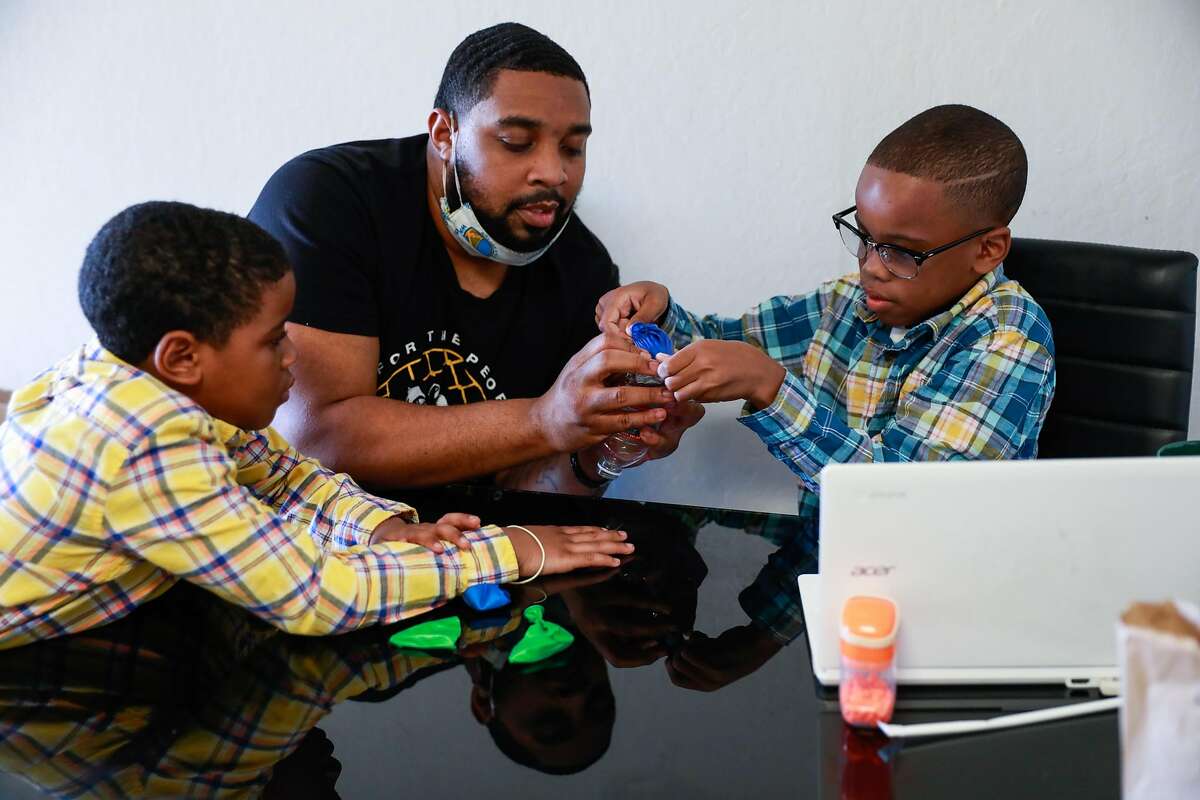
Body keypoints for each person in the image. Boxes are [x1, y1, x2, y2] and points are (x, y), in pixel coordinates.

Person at [0, 201, 634, 650]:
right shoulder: (141, 442)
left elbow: (281, 474)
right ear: (183, 358)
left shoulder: (144, 378)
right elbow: (319, 596)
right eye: (273, 339)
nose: (292, 356)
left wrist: (386, 527)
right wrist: (505, 553)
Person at [248, 22, 701, 496]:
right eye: (516, 142)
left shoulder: (583, 269)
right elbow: (310, 438)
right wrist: (545, 418)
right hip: (308, 550)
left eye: (573, 147)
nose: (553, 172)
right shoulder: (328, 202)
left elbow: (525, 491)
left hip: (473, 554)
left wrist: (602, 448)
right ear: (445, 133)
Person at [598, 105, 1056, 516]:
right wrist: (659, 316)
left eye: (903, 253)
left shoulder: (1008, 340)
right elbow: (722, 343)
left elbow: (908, 509)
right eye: (864, 236)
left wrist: (771, 389)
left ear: (987, 249)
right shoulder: (847, 302)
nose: (871, 268)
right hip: (815, 568)